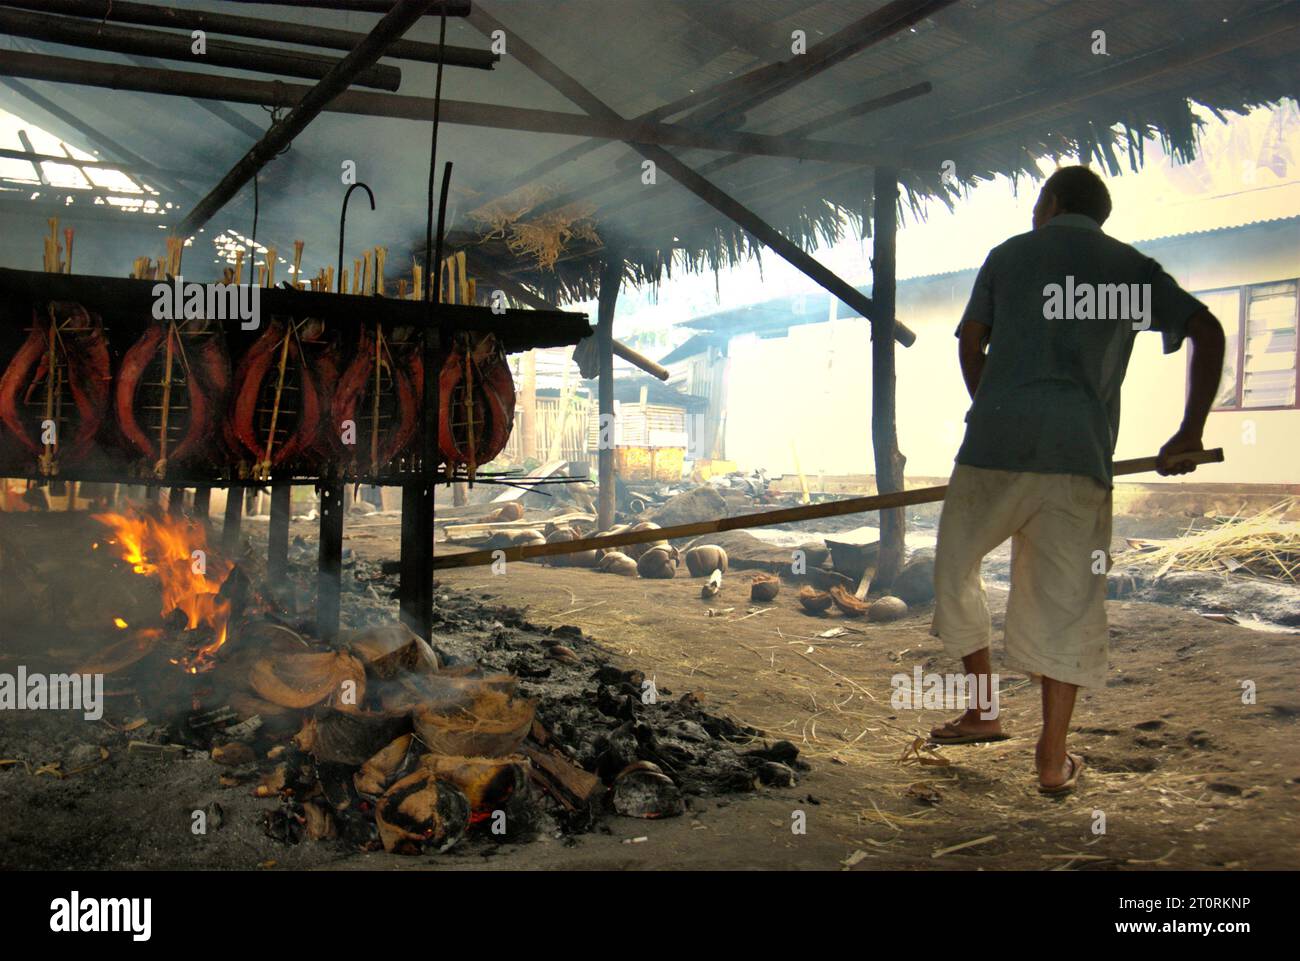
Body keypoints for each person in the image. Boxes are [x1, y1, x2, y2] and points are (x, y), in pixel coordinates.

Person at [928, 165, 1225, 794]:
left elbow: (972, 342)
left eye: (1038, 202)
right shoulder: (1131, 270)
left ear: (1051, 202)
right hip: (1078, 459)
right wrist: (1189, 432)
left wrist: (994, 406)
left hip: (992, 452)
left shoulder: (1009, 255)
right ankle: (1050, 759)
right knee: (1066, 603)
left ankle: (983, 709)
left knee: (955, 569)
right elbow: (1208, 329)